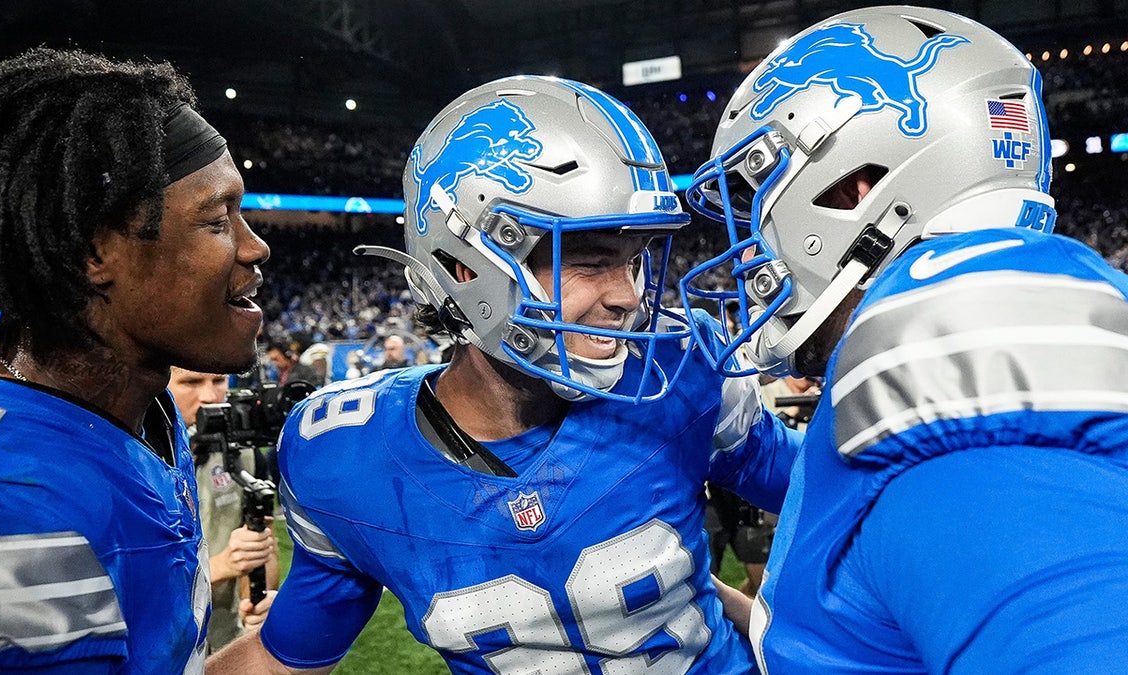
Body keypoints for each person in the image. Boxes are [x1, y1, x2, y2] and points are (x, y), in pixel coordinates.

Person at [208, 75, 802, 674]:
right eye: (592, 261)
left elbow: (843, 491)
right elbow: (285, 656)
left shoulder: (679, 368)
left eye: (637, 259)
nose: (629, 296)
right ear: (464, 269)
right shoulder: (342, 454)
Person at [681, 6, 1128, 671]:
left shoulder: (969, 407)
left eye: (759, 205)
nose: (749, 250)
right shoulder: (921, 364)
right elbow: (879, 607)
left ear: (851, 191)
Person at [0, 48, 271, 672]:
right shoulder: (13, 509)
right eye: (218, 220)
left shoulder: (138, 400)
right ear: (92, 251)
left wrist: (320, 606)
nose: (256, 246)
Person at [168, 367, 279, 652]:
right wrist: (218, 566)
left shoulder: (245, 455)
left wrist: (255, 603)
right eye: (190, 382)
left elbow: (264, 545)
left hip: (222, 637)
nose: (209, 396)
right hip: (161, 646)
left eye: (218, 381)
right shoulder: (129, 461)